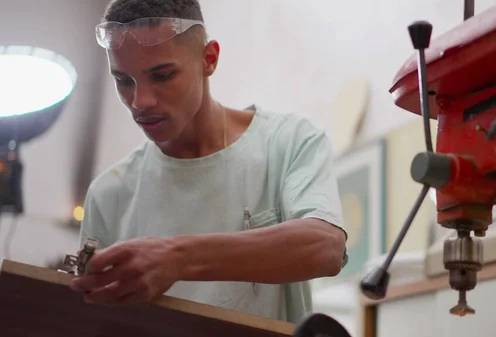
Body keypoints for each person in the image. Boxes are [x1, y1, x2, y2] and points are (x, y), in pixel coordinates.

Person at [68, 0, 348, 325]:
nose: (140, 101)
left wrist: (177, 259)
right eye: (123, 80)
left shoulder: (287, 142)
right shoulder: (109, 194)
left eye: (162, 75)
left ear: (209, 59)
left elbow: (324, 247)